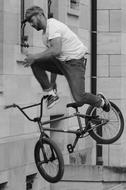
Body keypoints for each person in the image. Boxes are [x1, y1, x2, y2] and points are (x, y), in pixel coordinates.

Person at [21, 5, 110, 111]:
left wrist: (34, 56)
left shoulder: (52, 25)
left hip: (75, 63)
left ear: (40, 15)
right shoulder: (44, 36)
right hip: (62, 63)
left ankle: (102, 102)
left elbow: (56, 49)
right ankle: (51, 95)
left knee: (79, 98)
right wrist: (52, 83)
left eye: (31, 20)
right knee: (35, 62)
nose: (31, 24)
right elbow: (54, 55)